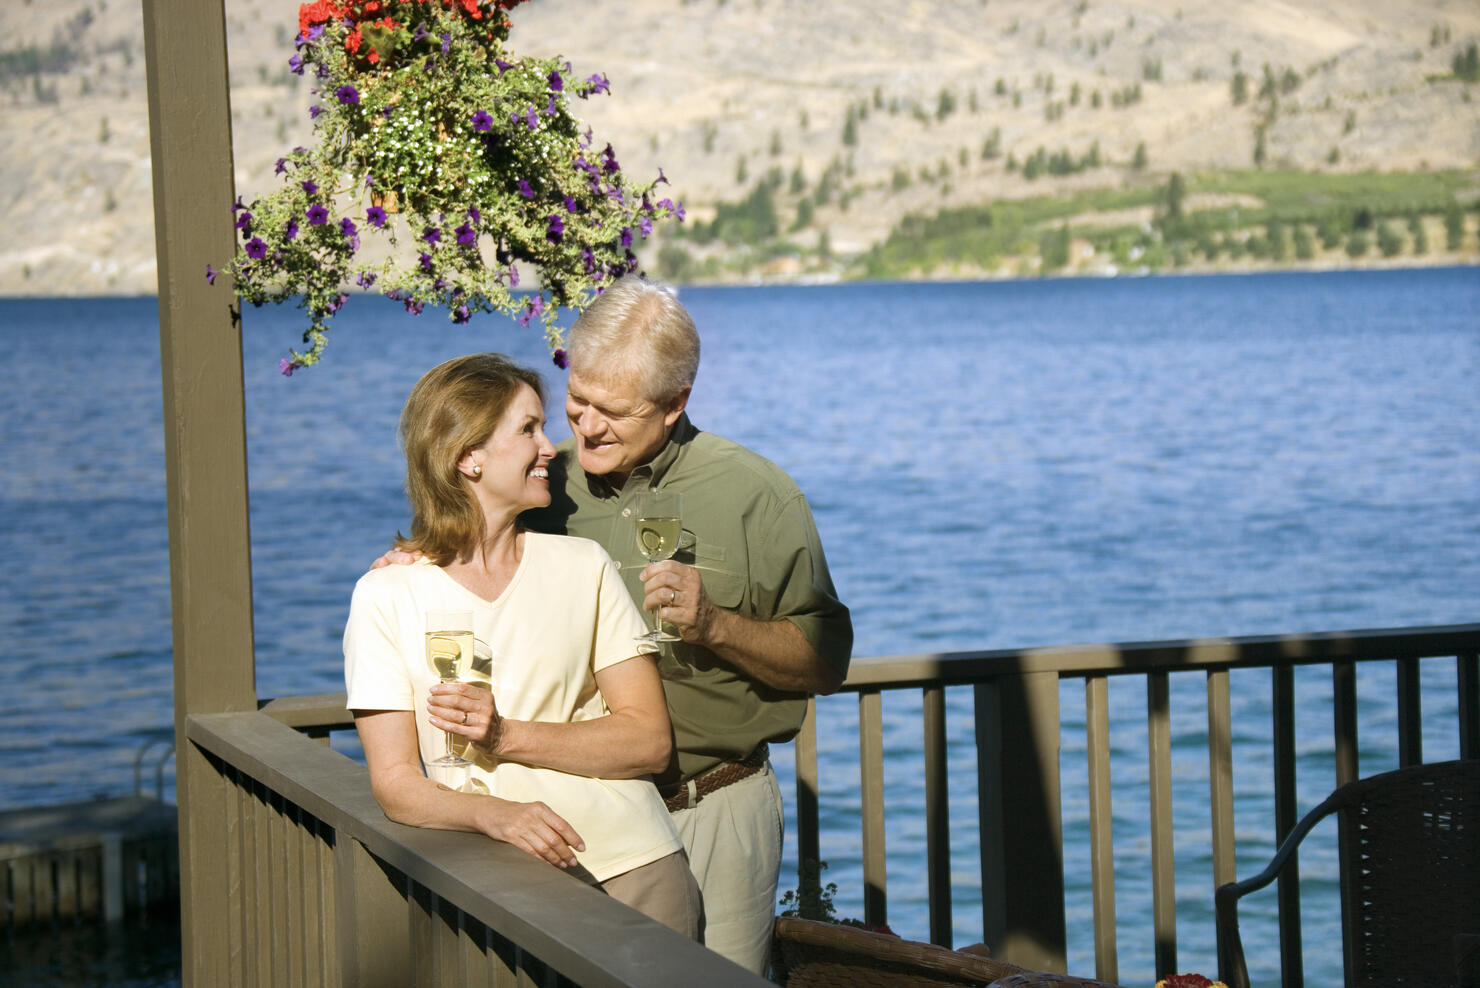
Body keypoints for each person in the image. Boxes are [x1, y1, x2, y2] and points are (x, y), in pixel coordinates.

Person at [374, 277, 853, 973]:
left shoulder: (758, 495)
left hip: (718, 804)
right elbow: (465, 544)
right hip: (585, 813)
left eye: (613, 411)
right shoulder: (539, 480)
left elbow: (825, 663)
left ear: (674, 404)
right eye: (577, 400)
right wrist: (417, 556)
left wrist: (716, 624)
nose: (585, 426)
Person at [345, 352, 701, 937]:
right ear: (467, 456)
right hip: (495, 886)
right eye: (528, 429)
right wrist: (496, 816)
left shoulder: (582, 565)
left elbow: (648, 741)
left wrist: (504, 735)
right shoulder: (385, 595)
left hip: (632, 866)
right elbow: (396, 785)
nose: (550, 448)